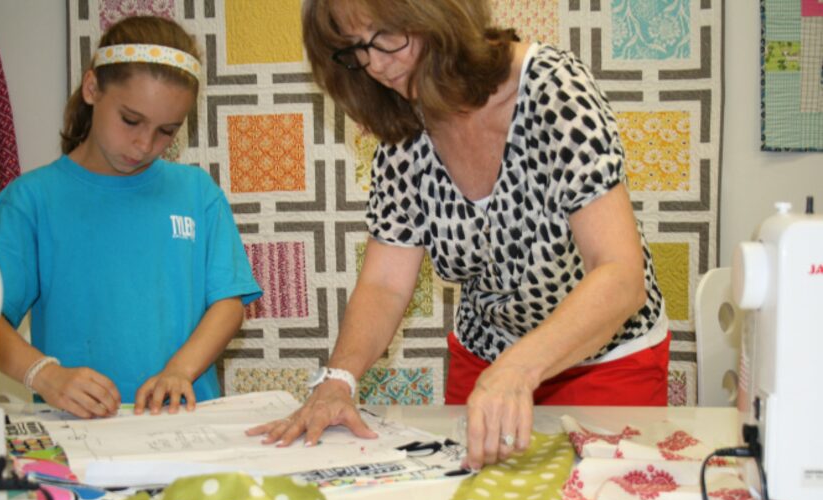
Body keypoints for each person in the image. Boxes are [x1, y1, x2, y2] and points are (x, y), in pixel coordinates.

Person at [247, 0, 669, 469]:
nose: (375, 65)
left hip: (603, 357)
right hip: (487, 355)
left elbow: (619, 274)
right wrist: (337, 380)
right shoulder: (404, 126)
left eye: (386, 36)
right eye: (355, 50)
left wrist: (517, 370)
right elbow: (385, 283)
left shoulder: (553, 90)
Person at [0, 16, 262, 419]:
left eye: (166, 131)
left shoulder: (197, 193)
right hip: (78, 430)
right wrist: (45, 376)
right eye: (131, 121)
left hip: (184, 424)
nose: (144, 144)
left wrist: (179, 371)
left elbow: (228, 303)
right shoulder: (30, 201)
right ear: (91, 88)